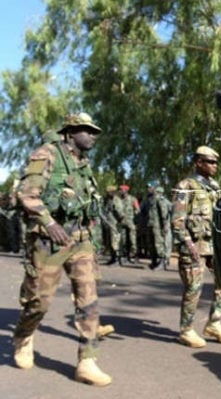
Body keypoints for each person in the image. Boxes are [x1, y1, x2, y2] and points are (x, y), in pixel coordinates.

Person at [12, 112, 112, 386]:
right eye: (86, 131)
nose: (92, 136)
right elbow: (26, 195)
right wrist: (48, 221)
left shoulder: (83, 163)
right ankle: (23, 337)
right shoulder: (47, 154)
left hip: (79, 239)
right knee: (39, 303)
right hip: (48, 241)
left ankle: (87, 361)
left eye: (94, 132)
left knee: (88, 298)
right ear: (70, 132)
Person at [172, 146, 221, 347]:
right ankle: (186, 330)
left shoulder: (214, 187)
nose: (215, 165)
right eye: (210, 161)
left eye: (216, 162)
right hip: (194, 245)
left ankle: (214, 323)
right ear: (198, 162)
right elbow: (177, 221)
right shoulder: (186, 186)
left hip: (214, 245)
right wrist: (188, 245)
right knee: (193, 288)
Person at [144, 184, 171, 271]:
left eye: (150, 187)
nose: (148, 189)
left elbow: (163, 213)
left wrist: (165, 225)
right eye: (147, 187)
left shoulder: (159, 198)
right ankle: (154, 262)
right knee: (151, 244)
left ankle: (162, 263)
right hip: (150, 224)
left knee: (159, 244)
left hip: (158, 226)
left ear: (154, 188)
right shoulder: (149, 199)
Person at [102, 185, 124, 266]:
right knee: (110, 242)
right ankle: (113, 258)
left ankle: (117, 259)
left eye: (109, 192)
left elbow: (120, 213)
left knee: (115, 242)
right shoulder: (107, 200)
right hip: (109, 223)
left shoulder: (116, 200)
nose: (107, 194)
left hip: (115, 224)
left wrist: (119, 222)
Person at [118, 184, 139, 263]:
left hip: (131, 222)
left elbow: (137, 210)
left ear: (126, 190)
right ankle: (124, 256)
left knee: (132, 240)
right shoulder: (119, 200)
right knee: (123, 240)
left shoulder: (132, 199)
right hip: (122, 223)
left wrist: (135, 220)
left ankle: (133, 256)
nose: (120, 191)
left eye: (121, 190)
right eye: (120, 190)